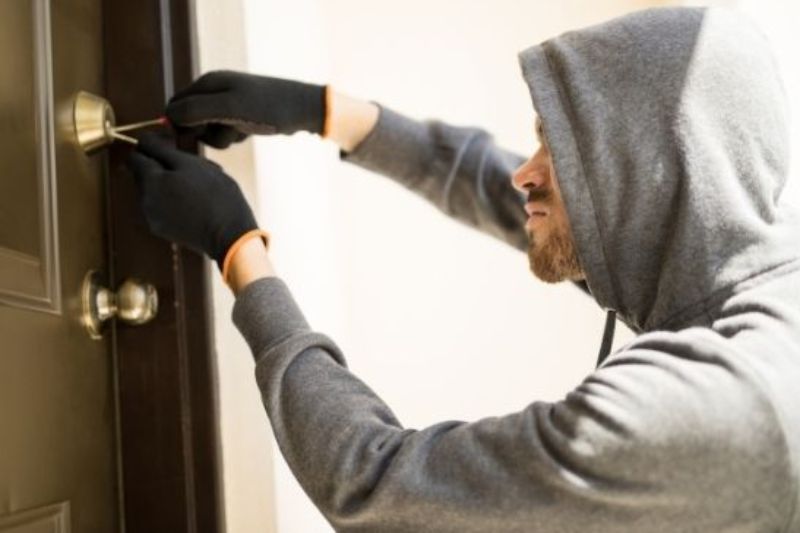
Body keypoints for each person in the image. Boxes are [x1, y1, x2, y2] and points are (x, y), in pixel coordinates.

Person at [127, 7, 800, 532]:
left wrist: (239, 246)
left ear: (644, 177)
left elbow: (373, 483)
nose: (523, 172)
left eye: (554, 148)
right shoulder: (742, 266)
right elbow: (520, 204)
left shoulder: (706, 409)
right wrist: (325, 111)